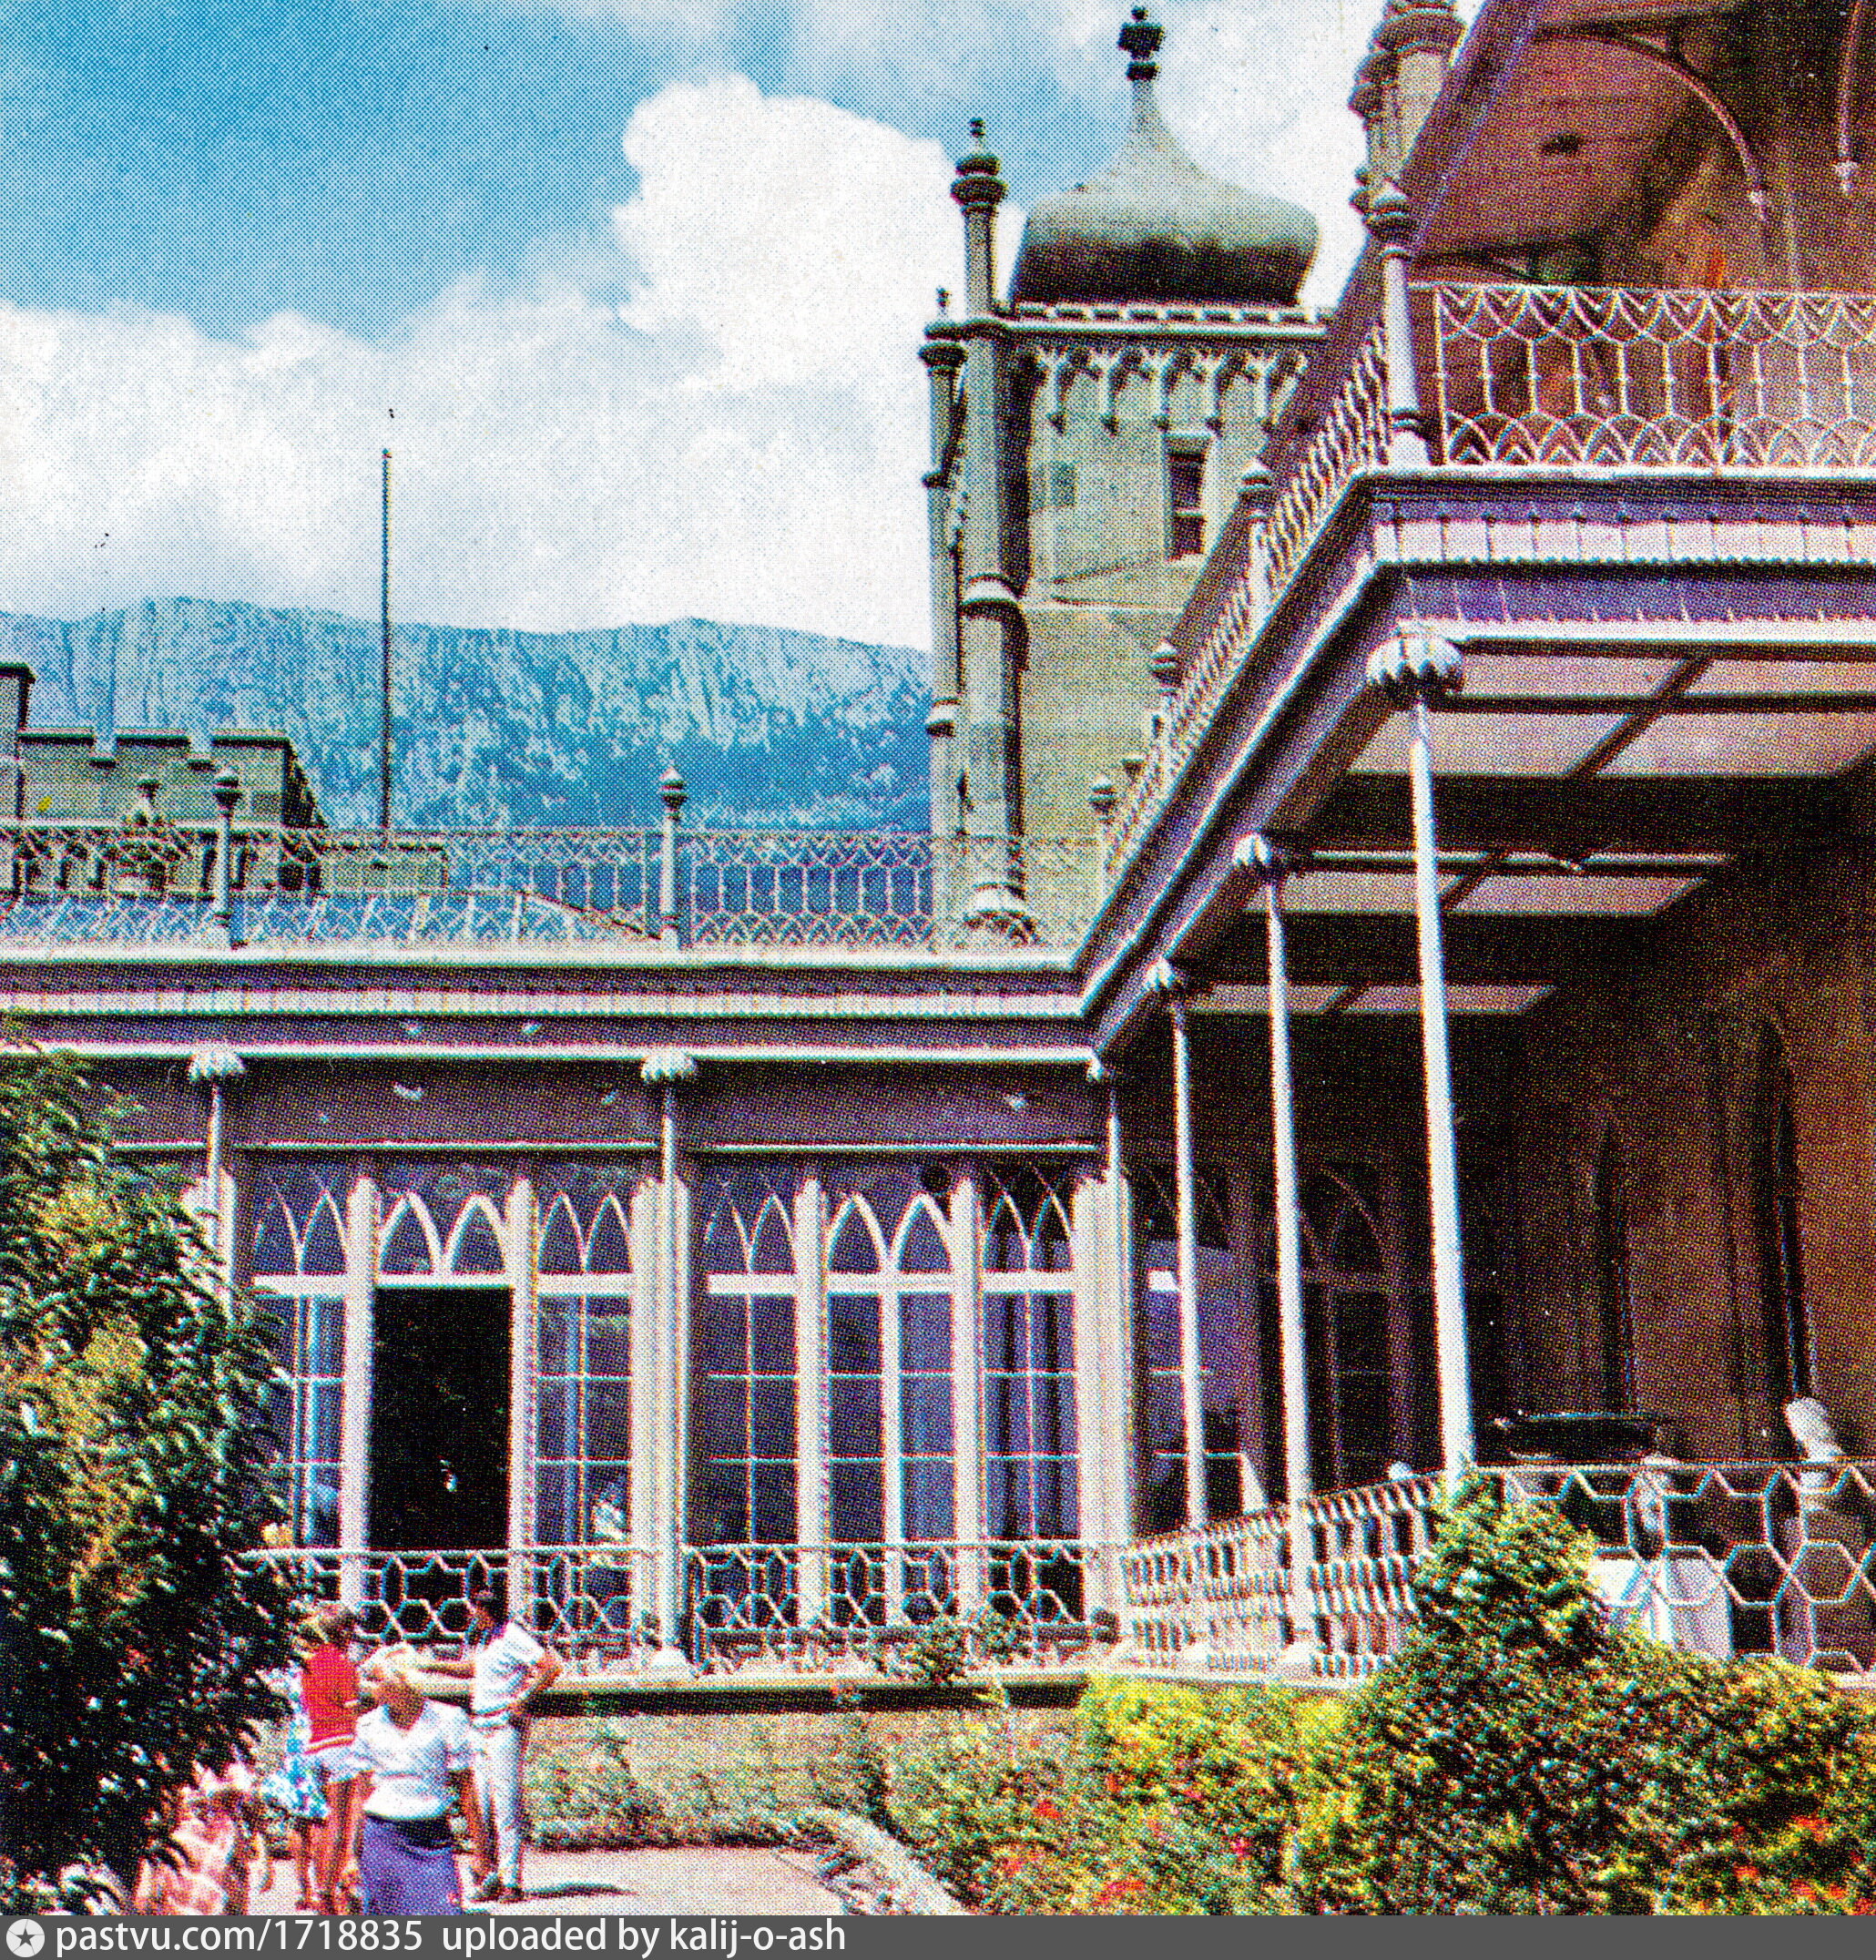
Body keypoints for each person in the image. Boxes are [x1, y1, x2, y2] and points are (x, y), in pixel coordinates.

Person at [428, 1582, 562, 1904]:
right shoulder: (485, 1638)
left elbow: (551, 1667)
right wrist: (430, 1665)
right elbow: (472, 1669)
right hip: (479, 1724)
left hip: (503, 1726)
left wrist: (524, 1698)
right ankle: (490, 1874)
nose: (472, 1615)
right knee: (481, 1806)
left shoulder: (513, 1635)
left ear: (486, 1610)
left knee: (505, 1805)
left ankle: (511, 1879)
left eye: (476, 1608)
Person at [341, 1647, 491, 1914]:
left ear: (401, 1681)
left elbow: (466, 1789)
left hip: (431, 1835)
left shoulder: (449, 1718)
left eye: (377, 1680)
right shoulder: (367, 1725)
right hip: (381, 1837)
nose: (369, 1687)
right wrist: (351, 1855)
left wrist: (481, 1851)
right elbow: (360, 1794)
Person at [134, 1754, 271, 1914]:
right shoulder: (181, 1821)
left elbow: (241, 1792)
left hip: (215, 1852)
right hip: (186, 1845)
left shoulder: (235, 1839)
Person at [299, 1603, 363, 1912]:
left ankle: (322, 1884)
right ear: (343, 1632)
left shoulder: (308, 1665)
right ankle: (329, 1889)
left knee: (323, 1822)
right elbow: (352, 1713)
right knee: (344, 1821)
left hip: (314, 1745)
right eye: (350, 1629)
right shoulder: (344, 1665)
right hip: (340, 1744)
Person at [259, 1704, 328, 1909]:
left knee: (301, 1816)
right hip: (324, 1730)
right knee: (322, 1819)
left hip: (298, 1733)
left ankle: (305, 1890)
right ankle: (324, 1889)